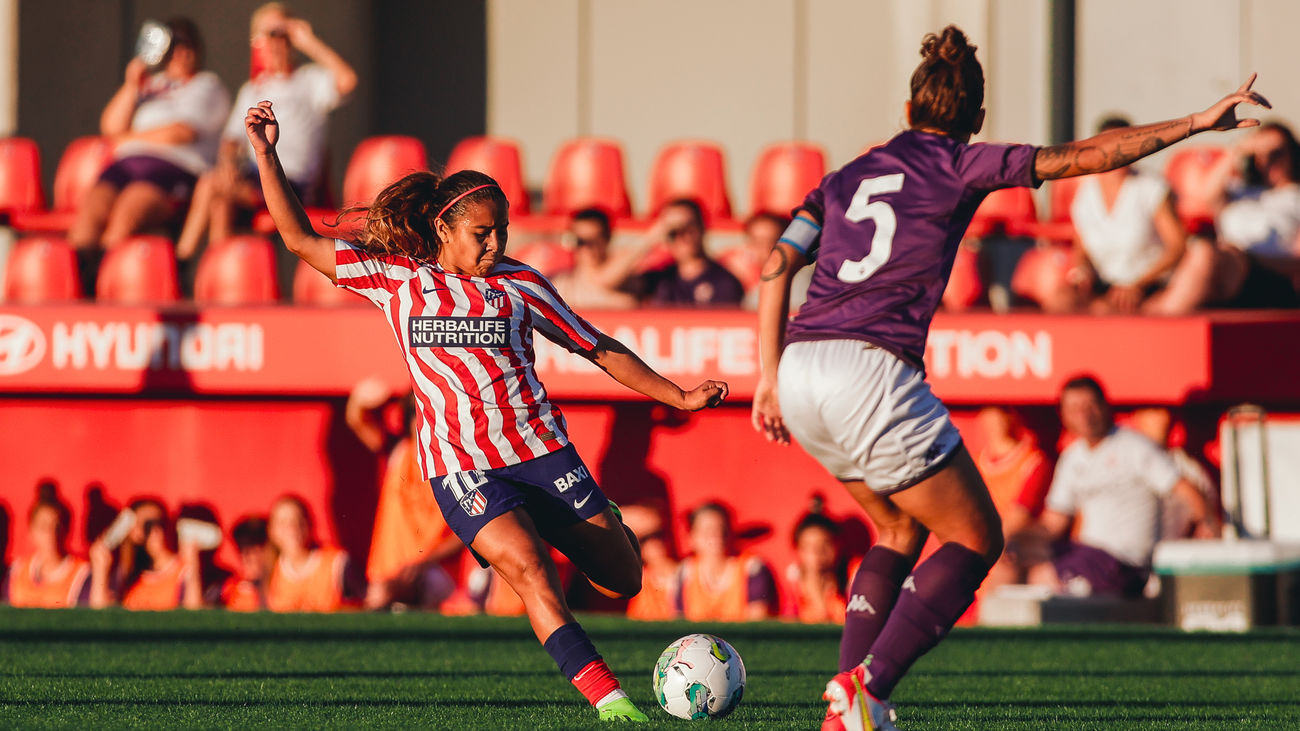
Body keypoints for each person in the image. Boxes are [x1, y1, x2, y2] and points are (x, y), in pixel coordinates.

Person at [749, 23, 1267, 729]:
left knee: (897, 529)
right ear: (977, 120)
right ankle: (867, 684)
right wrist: (1197, 123)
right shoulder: (961, 162)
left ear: (907, 110)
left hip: (801, 365)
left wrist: (766, 377)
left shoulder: (846, 175)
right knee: (975, 538)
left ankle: (849, 702)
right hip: (871, 365)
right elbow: (1087, 156)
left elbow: (776, 265)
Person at [246, 99, 728, 723]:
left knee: (624, 578)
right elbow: (298, 238)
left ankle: (591, 517)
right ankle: (613, 705)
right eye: (483, 233)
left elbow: (598, 348)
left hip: (540, 451)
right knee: (530, 572)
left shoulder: (522, 285)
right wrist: (266, 153)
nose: (496, 243)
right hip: (462, 466)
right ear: (443, 230)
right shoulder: (399, 281)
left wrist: (680, 395)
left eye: (502, 230)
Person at [176, 3, 356, 261]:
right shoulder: (252, 89)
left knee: (211, 186)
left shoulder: (309, 81)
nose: (271, 43)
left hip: (291, 182)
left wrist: (308, 41)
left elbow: (348, 80)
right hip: (256, 176)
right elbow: (230, 140)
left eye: (278, 34)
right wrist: (228, 163)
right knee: (220, 198)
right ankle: (224, 278)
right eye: (263, 35)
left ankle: (183, 261)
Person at [69, 18, 230, 293]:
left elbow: (179, 133)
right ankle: (73, 285)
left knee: (127, 212)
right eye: (175, 46)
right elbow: (110, 126)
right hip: (124, 166)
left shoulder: (207, 85)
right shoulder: (150, 86)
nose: (181, 53)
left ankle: (101, 287)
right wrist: (132, 85)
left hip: (172, 168)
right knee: (91, 212)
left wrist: (127, 138)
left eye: (187, 46)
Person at [1021, 377, 1220, 598]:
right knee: (1021, 557)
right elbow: (1054, 521)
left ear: (1105, 406)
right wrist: (1015, 539)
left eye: (1090, 406)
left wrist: (1207, 523)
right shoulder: (1071, 457)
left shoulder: (1135, 447)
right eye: (1075, 408)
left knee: (1043, 577)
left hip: (1125, 562)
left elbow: (1185, 490)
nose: (1084, 414)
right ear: (1063, 415)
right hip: (1087, 555)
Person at [1146, 121, 1300, 313]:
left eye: (1277, 152)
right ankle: (1159, 315)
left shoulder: (1294, 197)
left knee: (1205, 253)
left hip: (1265, 275)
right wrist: (1238, 150)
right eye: (1261, 154)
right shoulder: (1239, 191)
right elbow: (1208, 195)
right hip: (1223, 267)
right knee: (1201, 251)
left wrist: (1247, 257)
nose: (1268, 160)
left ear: (1292, 153)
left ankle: (1161, 320)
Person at [1045, 116, 1188, 314]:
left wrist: (1138, 285)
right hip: (1106, 284)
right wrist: (1082, 272)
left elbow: (1177, 247)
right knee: (1061, 299)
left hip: (1149, 286)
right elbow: (1082, 245)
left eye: (1122, 145)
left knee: (1105, 309)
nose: (1115, 152)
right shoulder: (1086, 192)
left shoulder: (1151, 188)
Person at [346, 377, 462, 610]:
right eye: (415, 414)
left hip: (432, 576)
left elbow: (465, 531)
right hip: (385, 576)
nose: (421, 424)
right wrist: (363, 397)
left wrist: (423, 562)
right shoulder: (399, 453)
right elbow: (356, 419)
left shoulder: (456, 463)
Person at [973, 407, 1052, 591]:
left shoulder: (1033, 460)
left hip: (1019, 544)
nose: (998, 420)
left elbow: (1022, 513)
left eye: (1004, 413)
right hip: (984, 543)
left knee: (1008, 565)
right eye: (992, 413)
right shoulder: (976, 462)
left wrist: (995, 544)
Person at [1127, 407, 1218, 540]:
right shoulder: (1123, 460)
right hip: (1128, 552)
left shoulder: (1186, 465)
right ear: (1137, 417)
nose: (1162, 418)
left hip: (1172, 552)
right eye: (1154, 410)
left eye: (1164, 411)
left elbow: (1210, 517)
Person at [676, 502, 776, 622]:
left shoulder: (751, 568)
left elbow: (757, 624)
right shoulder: (685, 571)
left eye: (722, 529)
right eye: (707, 530)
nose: (716, 536)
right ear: (692, 538)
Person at [265, 495, 363, 612]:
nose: (292, 528)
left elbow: (368, 607)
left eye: (298, 520)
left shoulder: (337, 563)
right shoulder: (269, 570)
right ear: (271, 530)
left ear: (310, 524)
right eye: (283, 522)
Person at [643, 199, 745, 307]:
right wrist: (649, 240)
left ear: (702, 228)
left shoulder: (725, 282)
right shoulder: (660, 280)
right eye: (673, 231)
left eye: (688, 228)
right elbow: (623, 285)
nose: (681, 236)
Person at [3, 482, 90, 608]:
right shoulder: (17, 571)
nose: (51, 534)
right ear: (31, 531)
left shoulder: (81, 574)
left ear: (67, 530)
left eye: (56, 527)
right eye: (43, 527)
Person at [549, 208, 644, 310]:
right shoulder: (560, 287)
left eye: (595, 241)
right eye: (581, 241)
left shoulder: (628, 284)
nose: (587, 248)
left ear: (608, 238)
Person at [784, 506, 849, 624]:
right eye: (808, 546)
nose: (817, 552)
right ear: (798, 550)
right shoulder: (793, 590)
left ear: (837, 545)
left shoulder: (850, 583)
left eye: (824, 544)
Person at [720, 212, 791, 305]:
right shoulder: (730, 273)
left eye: (773, 241)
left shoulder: (796, 281)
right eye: (758, 242)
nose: (766, 248)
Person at [221, 516, 270, 611]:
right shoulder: (230, 588)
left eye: (257, 548)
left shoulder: (284, 581)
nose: (248, 556)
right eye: (242, 549)